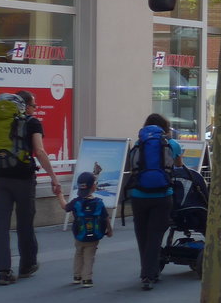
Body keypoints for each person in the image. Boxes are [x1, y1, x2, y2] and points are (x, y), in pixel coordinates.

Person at [0, 90, 62, 285]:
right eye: (33, 105)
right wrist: (54, 178)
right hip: (23, 179)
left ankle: (4, 271)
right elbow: (39, 151)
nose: (35, 109)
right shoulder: (32, 123)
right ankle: (27, 265)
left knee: (1, 227)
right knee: (25, 223)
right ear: (25, 106)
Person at [126, 113, 182, 290]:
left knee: (142, 235)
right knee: (155, 235)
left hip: (139, 195)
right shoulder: (171, 144)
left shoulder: (139, 144)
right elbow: (179, 165)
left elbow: (133, 167)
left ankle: (147, 271)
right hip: (163, 195)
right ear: (165, 128)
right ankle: (149, 275)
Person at [66, 171, 113, 287]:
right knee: (89, 256)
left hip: (79, 235)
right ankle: (87, 279)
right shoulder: (98, 203)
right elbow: (106, 218)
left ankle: (77, 276)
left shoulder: (75, 202)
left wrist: (59, 196)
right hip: (94, 236)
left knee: (78, 253)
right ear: (93, 187)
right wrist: (109, 230)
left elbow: (65, 207)